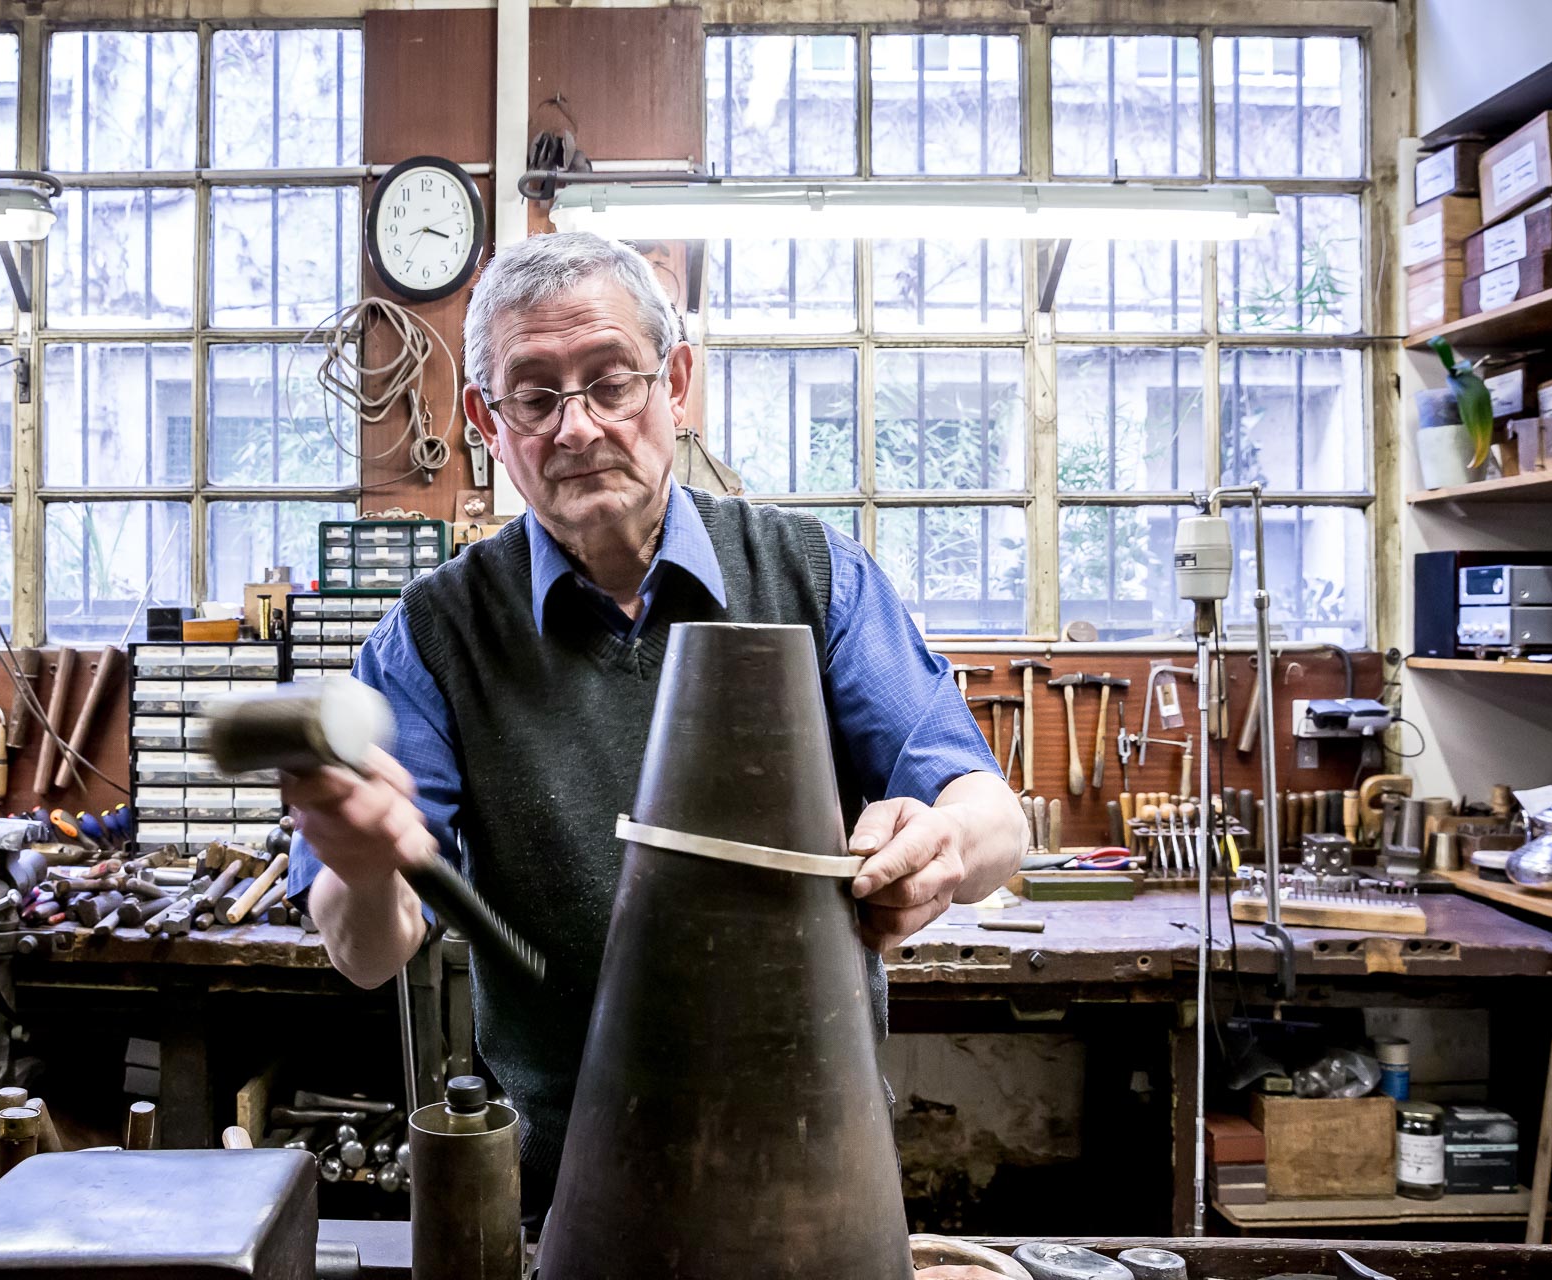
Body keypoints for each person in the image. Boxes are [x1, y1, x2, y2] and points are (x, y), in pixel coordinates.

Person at [283, 230, 1026, 1211]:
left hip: (811, 1167)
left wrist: (943, 841)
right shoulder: (432, 635)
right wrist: (365, 863)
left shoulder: (810, 574)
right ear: (487, 420)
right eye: (536, 395)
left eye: (610, 381)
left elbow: (992, 816)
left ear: (674, 381)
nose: (578, 427)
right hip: (564, 1184)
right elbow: (364, 948)